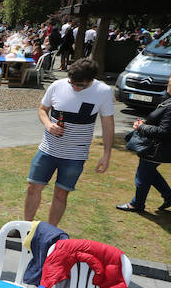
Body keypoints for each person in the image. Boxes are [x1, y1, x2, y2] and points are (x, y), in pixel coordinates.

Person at [24, 59, 114, 227]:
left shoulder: (103, 91)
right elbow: (43, 109)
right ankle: (24, 226)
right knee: (33, 187)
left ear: (91, 80)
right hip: (48, 149)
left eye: (80, 85)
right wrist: (48, 124)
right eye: (72, 83)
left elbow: (108, 123)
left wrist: (107, 154)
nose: (75, 88)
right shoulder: (58, 85)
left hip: (75, 155)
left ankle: (50, 232)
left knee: (61, 194)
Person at [116, 69, 171, 213]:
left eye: (170, 81)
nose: (168, 83)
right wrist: (145, 125)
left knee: (142, 176)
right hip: (160, 147)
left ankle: (137, 204)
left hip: (158, 149)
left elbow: (164, 132)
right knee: (150, 173)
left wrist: (142, 127)